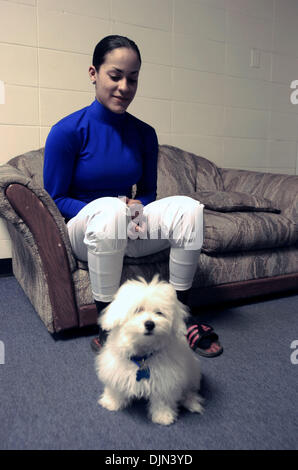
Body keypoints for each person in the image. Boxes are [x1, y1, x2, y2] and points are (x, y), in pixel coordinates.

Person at [43, 35, 223, 358]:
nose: (124, 87)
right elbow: (55, 199)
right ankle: (108, 326)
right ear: (93, 73)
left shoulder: (144, 134)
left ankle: (180, 318)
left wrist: (139, 209)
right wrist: (112, 209)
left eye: (133, 78)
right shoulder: (67, 131)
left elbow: (149, 192)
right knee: (112, 213)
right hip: (85, 232)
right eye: (115, 76)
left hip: (128, 227)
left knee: (190, 209)